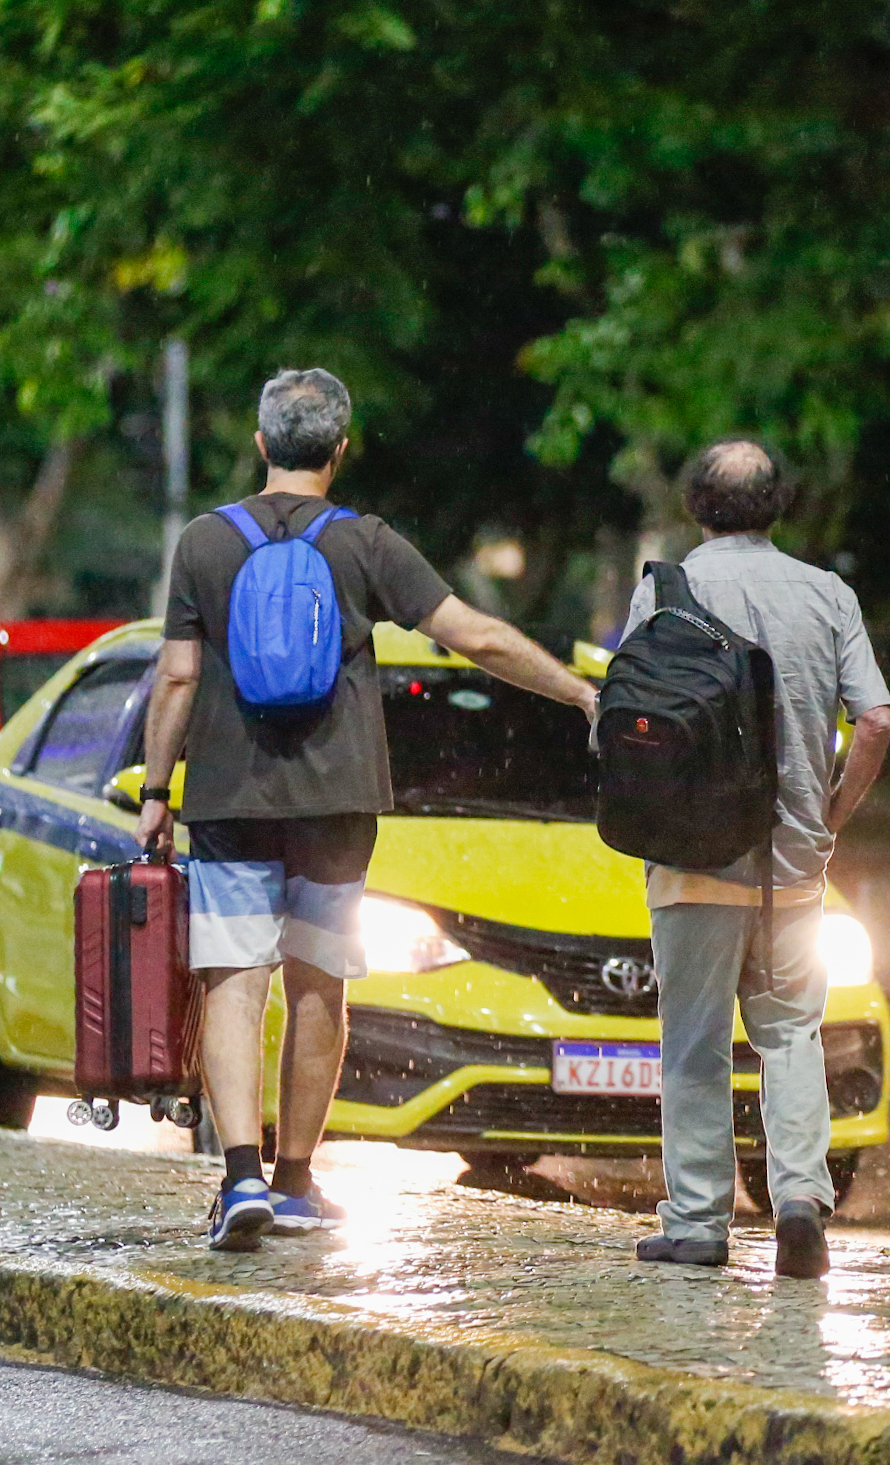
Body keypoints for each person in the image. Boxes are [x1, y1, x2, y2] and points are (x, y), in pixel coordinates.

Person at [137, 368, 598, 1251]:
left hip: (231, 797)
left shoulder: (203, 543)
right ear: (339, 450)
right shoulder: (367, 544)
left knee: (233, 984)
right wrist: (575, 691)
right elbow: (476, 635)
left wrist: (157, 793)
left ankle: (238, 1177)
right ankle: (298, 1181)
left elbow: (178, 677)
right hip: (338, 801)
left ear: (262, 443)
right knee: (319, 985)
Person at [623, 440, 890, 1280]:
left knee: (694, 1045)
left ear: (695, 507)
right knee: (791, 1037)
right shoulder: (827, 594)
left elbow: (626, 715)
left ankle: (699, 1221)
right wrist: (827, 818)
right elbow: (877, 719)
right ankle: (801, 1202)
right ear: (778, 507)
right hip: (792, 868)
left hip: (689, 861)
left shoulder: (666, 590)